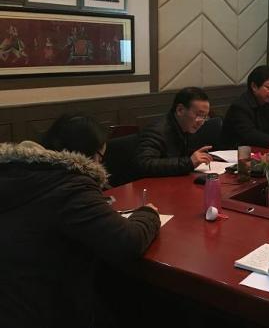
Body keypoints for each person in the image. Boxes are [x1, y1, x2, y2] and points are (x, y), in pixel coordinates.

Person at [0, 113, 160, 328]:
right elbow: (127, 242)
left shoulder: (16, 170)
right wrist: (148, 214)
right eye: (101, 156)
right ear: (89, 156)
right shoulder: (70, 184)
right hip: (44, 308)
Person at [135, 87, 213, 177]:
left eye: (204, 117)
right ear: (180, 110)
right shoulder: (157, 131)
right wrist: (188, 162)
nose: (201, 122)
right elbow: (145, 164)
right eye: (199, 115)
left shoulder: (188, 127)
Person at [222, 65, 269, 148]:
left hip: (259, 150)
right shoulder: (239, 107)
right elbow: (250, 135)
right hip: (235, 152)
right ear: (254, 86)